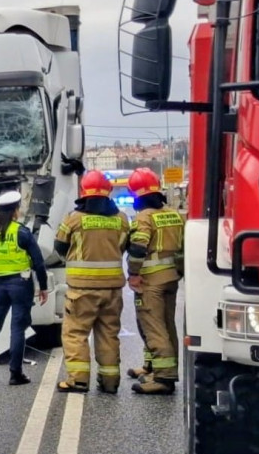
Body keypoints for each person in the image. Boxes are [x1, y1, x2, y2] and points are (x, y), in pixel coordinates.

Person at [53, 170, 131, 393]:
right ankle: (109, 381)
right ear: (108, 192)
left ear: (84, 192)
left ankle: (78, 380)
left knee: (75, 333)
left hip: (82, 289)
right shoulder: (121, 219)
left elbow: (60, 246)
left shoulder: (73, 218)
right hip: (112, 289)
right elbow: (125, 247)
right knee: (108, 334)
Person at [0, 190, 49, 385]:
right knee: (17, 329)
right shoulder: (21, 232)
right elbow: (39, 262)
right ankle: (15, 374)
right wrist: (43, 287)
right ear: (15, 211)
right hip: (20, 285)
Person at [123, 168, 185, 395]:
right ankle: (155, 368)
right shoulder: (175, 215)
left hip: (151, 281)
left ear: (137, 195)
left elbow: (138, 248)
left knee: (154, 327)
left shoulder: (144, 217)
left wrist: (133, 273)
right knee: (167, 326)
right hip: (171, 278)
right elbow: (182, 249)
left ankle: (163, 377)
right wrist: (178, 272)